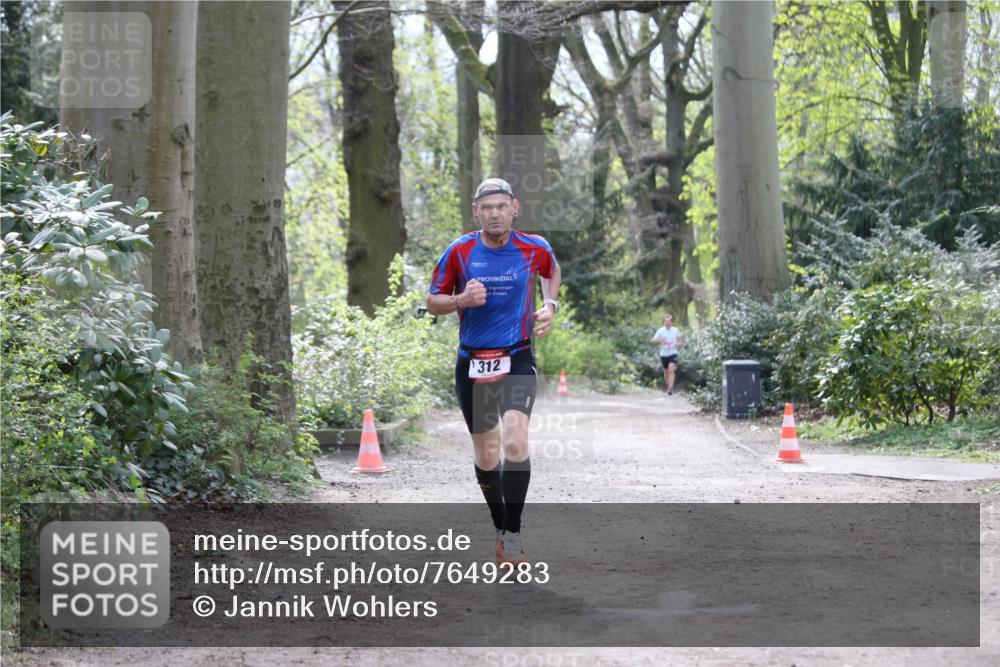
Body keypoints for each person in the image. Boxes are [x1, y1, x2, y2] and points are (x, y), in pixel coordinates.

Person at [425, 177, 561, 566]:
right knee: (487, 453)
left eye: (501, 205)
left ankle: (513, 535)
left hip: (517, 356)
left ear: (514, 207)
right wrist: (460, 299)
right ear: (476, 211)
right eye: (487, 207)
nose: (495, 213)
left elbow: (553, 271)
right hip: (473, 361)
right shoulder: (460, 251)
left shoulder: (534, 248)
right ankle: (501, 526)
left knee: (516, 441)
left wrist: (549, 305)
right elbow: (432, 301)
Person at [651, 313, 681, 394]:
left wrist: (678, 345)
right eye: (666, 321)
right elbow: (653, 342)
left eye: (669, 321)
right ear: (663, 322)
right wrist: (660, 340)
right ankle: (668, 387)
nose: (667, 323)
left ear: (672, 322)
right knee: (666, 372)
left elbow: (679, 342)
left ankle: (670, 388)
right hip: (663, 354)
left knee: (671, 369)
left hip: (673, 353)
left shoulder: (676, 330)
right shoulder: (660, 331)